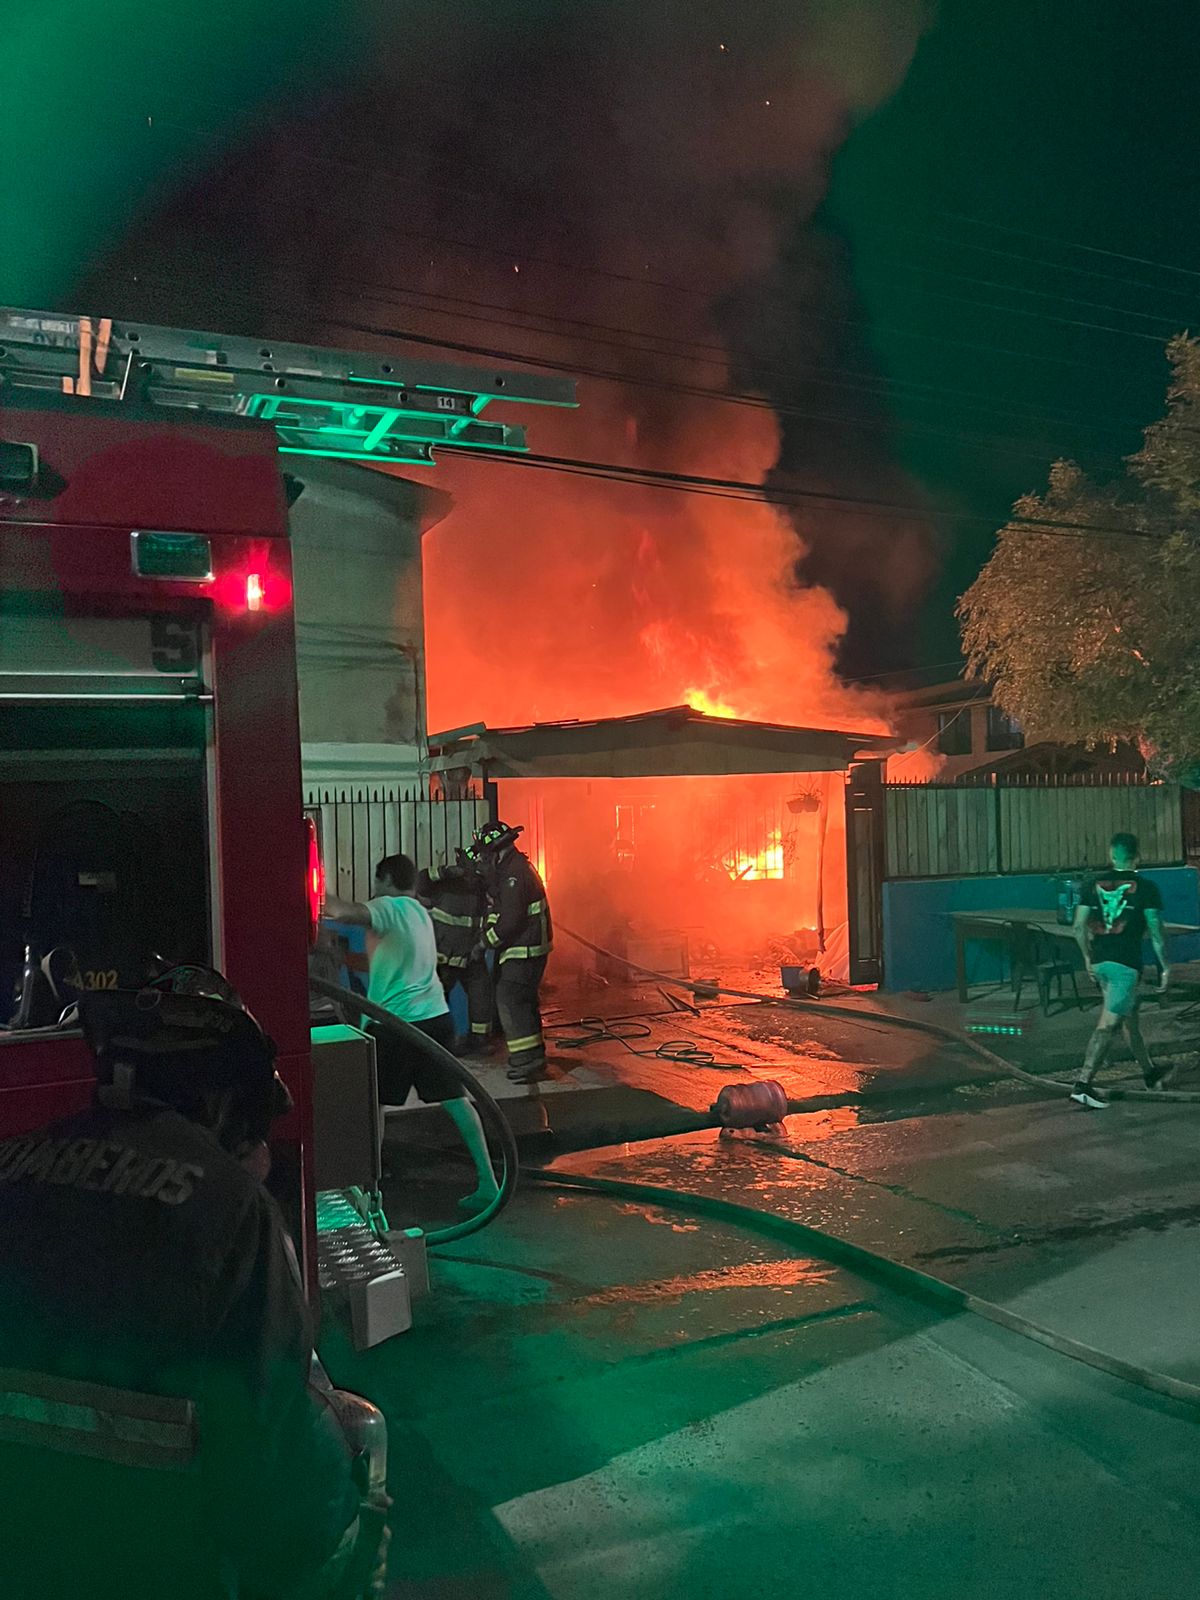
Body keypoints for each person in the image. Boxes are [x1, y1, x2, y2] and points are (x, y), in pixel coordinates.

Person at [0, 964, 388, 1600]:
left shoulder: (13, 1165)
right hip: (157, 1557)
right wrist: (344, 1528)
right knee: (361, 1448)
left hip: (17, 1547)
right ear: (221, 1100)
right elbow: (268, 1453)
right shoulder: (229, 1209)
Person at [323, 854, 500, 1213]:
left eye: (377, 881)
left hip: (396, 1026)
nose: (374, 888)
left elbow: (342, 911)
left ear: (386, 879)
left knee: (374, 1105)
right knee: (456, 1100)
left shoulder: (388, 906)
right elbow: (387, 961)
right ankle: (489, 1182)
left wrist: (310, 882)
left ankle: (370, 1195)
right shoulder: (420, 913)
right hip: (435, 1019)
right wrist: (343, 960)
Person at [1070, 831, 1173, 1108]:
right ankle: (1083, 1085)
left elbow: (1078, 927)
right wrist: (1165, 967)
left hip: (1101, 961)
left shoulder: (1092, 884)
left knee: (1129, 1020)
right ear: (1137, 856)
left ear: (1111, 854)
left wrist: (1087, 958)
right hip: (1125, 966)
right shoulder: (1147, 888)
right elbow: (1156, 932)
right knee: (1109, 1024)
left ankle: (1150, 1073)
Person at [470, 822, 553, 1084]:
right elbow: (502, 910)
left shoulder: (513, 875)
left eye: (486, 855)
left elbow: (511, 920)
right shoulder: (510, 870)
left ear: (496, 851)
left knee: (510, 998)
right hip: (524, 947)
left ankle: (526, 1060)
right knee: (521, 1000)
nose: (484, 861)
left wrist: (483, 943)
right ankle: (532, 1056)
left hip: (525, 948)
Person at [416, 851, 493, 1055]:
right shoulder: (446, 883)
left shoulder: (481, 887)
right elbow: (420, 882)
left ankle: (479, 1040)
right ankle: (435, 1043)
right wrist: (445, 872)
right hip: (446, 957)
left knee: (481, 995)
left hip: (469, 955)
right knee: (438, 1000)